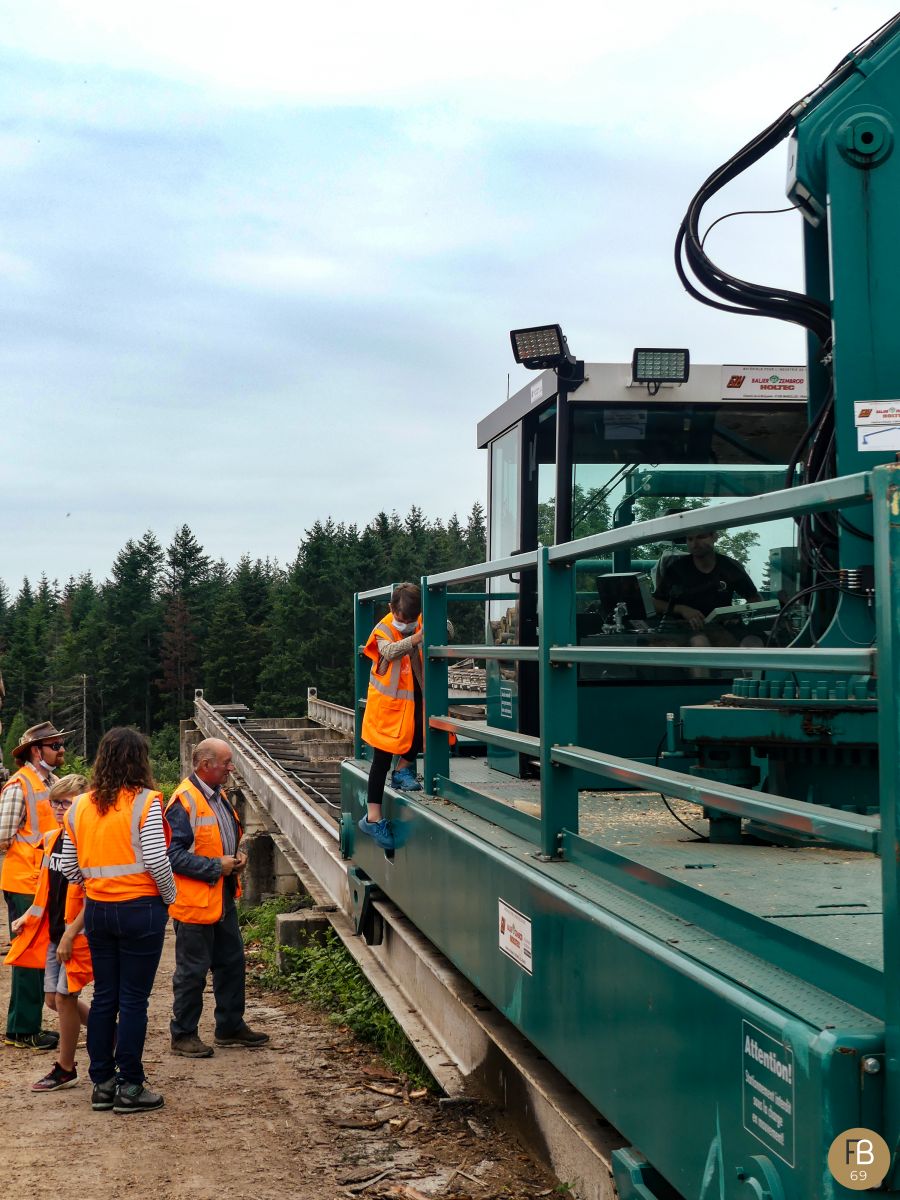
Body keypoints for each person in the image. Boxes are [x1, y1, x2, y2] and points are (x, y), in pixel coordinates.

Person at [60, 727, 176, 1115]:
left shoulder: (79, 807)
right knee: (134, 1000)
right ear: (140, 760)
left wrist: (93, 884)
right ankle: (130, 1085)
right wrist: (170, 899)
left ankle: (103, 1084)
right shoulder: (146, 802)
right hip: (140, 908)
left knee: (105, 996)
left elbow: (68, 866)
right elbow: (158, 860)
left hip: (98, 911)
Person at [166, 738, 268, 1057]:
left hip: (220, 895)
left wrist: (234, 859)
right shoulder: (184, 801)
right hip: (194, 902)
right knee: (192, 972)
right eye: (225, 762)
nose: (230, 768)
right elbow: (172, 855)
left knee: (231, 962)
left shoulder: (217, 795)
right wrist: (216, 865)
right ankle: (183, 1034)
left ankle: (229, 1026)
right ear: (204, 765)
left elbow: (217, 840)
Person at [6, 774, 91, 1092]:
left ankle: (65, 1068)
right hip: (57, 934)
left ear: (82, 803)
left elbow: (93, 894)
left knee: (66, 999)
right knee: (53, 1000)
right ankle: (109, 1033)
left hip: (75, 934)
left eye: (65, 803)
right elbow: (46, 889)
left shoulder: (86, 839)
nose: (57, 808)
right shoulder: (54, 838)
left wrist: (71, 934)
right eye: (54, 802)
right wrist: (28, 915)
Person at [0, 721, 70, 1050]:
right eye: (55, 746)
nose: (61, 750)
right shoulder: (20, 785)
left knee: (41, 952)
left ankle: (23, 1027)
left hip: (43, 879)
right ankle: (23, 1029)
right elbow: (3, 836)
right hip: (25, 879)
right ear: (35, 750)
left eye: (60, 745)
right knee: (30, 954)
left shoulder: (52, 783)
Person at [358, 582, 425, 853]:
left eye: (411, 619)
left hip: (413, 696)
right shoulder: (383, 628)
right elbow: (389, 652)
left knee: (418, 734)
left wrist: (439, 625)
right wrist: (417, 637)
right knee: (381, 759)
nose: (406, 623)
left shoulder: (420, 618)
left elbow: (448, 627)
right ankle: (372, 818)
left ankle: (403, 770)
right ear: (391, 609)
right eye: (402, 618)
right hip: (386, 707)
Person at [652, 530, 761, 633]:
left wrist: (737, 614)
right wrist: (682, 609)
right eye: (690, 539)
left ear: (715, 537)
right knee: (699, 641)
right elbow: (655, 603)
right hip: (686, 630)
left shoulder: (730, 567)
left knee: (753, 642)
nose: (695, 543)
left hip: (722, 629)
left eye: (701, 537)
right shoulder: (677, 569)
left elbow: (755, 599)